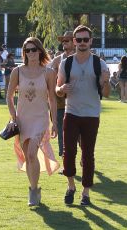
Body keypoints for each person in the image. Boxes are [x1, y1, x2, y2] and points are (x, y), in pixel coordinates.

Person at [56, 25, 110, 206]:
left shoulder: (99, 63)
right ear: (74, 41)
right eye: (78, 39)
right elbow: (58, 89)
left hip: (91, 115)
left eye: (85, 39)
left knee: (88, 154)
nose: (82, 43)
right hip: (71, 112)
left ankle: (85, 193)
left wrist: (106, 81)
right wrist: (62, 89)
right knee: (68, 152)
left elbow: (107, 93)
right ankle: (71, 186)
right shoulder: (67, 63)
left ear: (91, 41)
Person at [6, 37, 59, 206]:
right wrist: (14, 117)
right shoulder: (17, 71)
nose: (31, 53)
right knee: (28, 157)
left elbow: (52, 99)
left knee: (31, 153)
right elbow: (8, 96)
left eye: (34, 49)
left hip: (40, 119)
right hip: (23, 119)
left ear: (40, 51)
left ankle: (33, 192)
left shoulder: (49, 72)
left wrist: (54, 123)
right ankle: (33, 188)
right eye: (27, 50)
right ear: (24, 53)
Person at [51, 31, 75, 160]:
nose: (64, 43)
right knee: (62, 132)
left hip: (78, 102)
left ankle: (84, 157)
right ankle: (64, 159)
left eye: (67, 40)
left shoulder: (82, 58)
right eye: (63, 41)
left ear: (74, 42)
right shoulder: (57, 60)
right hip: (60, 102)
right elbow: (48, 77)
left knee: (80, 134)